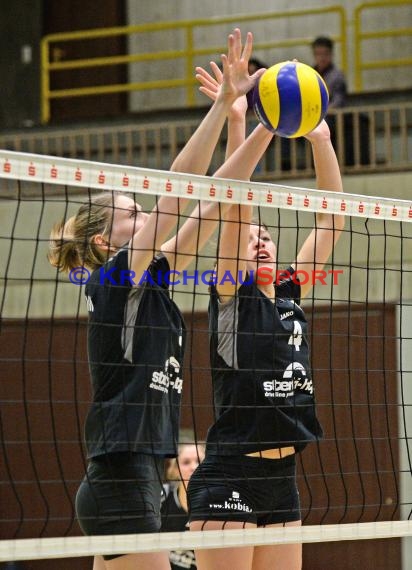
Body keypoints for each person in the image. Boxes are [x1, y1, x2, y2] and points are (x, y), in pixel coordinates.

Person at [47, 28, 267, 570]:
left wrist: (259, 125)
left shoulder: (155, 280)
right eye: (133, 213)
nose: (145, 217)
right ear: (105, 240)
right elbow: (177, 189)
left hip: (138, 471)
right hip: (121, 475)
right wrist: (219, 108)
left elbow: (217, 198)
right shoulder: (113, 280)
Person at [187, 94, 345, 569]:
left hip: (283, 480)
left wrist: (321, 140)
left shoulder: (291, 293)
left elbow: (332, 220)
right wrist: (242, 122)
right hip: (230, 475)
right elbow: (236, 208)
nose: (260, 243)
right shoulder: (232, 294)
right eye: (252, 240)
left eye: (267, 238)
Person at [161, 439, 205, 570]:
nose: (194, 467)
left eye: (199, 461)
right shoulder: (162, 497)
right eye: (186, 462)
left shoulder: (218, 504)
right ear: (174, 470)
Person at [311, 36, 347, 109]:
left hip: (331, 116)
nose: (322, 57)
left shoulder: (338, 76)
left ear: (331, 54)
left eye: (325, 53)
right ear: (314, 55)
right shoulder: (309, 75)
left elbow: (339, 101)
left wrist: (323, 112)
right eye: (319, 54)